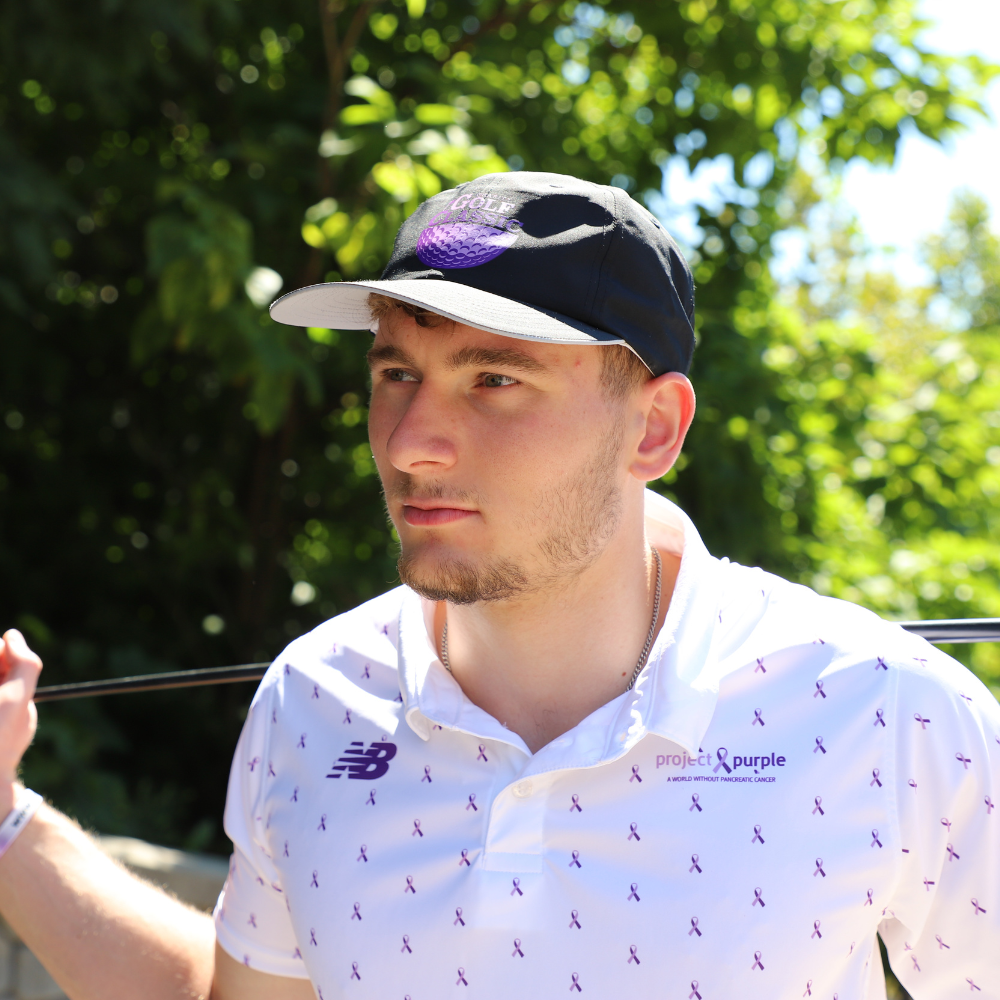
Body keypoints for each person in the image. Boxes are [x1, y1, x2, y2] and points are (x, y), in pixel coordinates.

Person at [0, 171, 997, 1000]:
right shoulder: (313, 699)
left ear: (652, 429)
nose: (410, 444)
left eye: (493, 381)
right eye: (396, 374)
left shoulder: (886, 709)